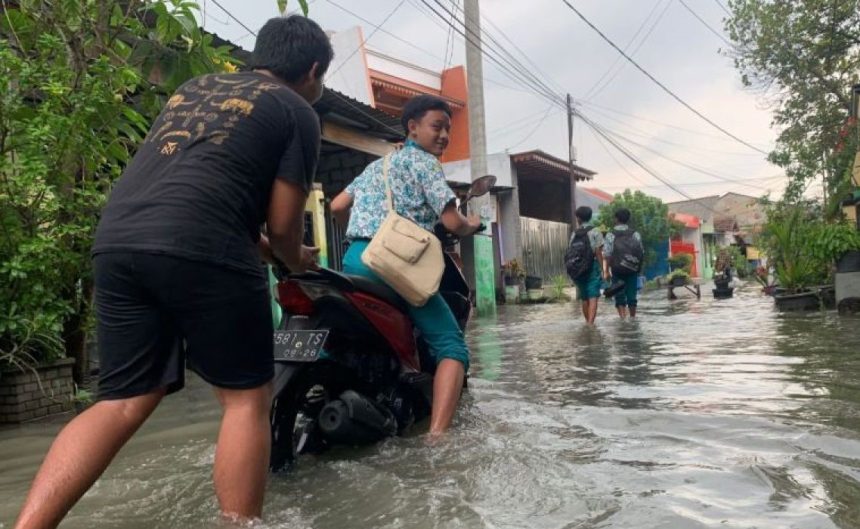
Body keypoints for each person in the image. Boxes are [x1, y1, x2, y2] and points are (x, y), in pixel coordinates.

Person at [14, 16, 332, 529]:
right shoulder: (297, 111)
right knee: (246, 400)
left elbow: (203, 193)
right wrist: (297, 261)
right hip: (206, 247)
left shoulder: (193, 88)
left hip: (118, 241)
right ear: (313, 70)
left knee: (122, 401)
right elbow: (283, 226)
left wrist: (269, 248)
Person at [330, 95, 481, 436]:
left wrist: (360, 233)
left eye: (447, 129)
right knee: (451, 346)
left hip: (355, 259)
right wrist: (471, 223)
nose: (443, 135)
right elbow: (451, 222)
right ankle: (438, 439)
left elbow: (338, 205)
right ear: (412, 127)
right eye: (436, 126)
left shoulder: (378, 165)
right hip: (398, 266)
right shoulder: (426, 164)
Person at [603, 208, 644, 319]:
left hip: (617, 269)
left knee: (619, 295)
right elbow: (641, 252)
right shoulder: (635, 234)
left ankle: (622, 318)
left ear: (616, 219)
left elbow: (607, 254)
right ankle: (633, 319)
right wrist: (638, 268)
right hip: (632, 268)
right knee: (632, 294)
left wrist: (606, 271)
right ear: (628, 219)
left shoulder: (610, 234)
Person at [571, 206, 605, 324]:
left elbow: (571, 252)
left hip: (578, 268)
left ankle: (588, 323)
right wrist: (603, 269)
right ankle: (590, 325)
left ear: (578, 218)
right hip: (592, 266)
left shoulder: (574, 233)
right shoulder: (596, 231)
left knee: (584, 297)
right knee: (593, 296)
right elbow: (598, 252)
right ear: (590, 217)